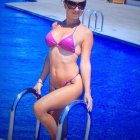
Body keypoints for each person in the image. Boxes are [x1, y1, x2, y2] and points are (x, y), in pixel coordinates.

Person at [33, 0, 93, 139]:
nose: (77, 9)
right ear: (64, 3)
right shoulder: (55, 25)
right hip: (53, 84)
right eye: (73, 4)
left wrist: (88, 91)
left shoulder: (85, 33)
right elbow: (50, 57)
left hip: (72, 84)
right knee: (57, 122)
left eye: (81, 5)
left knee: (39, 108)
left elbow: (85, 63)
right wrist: (40, 81)